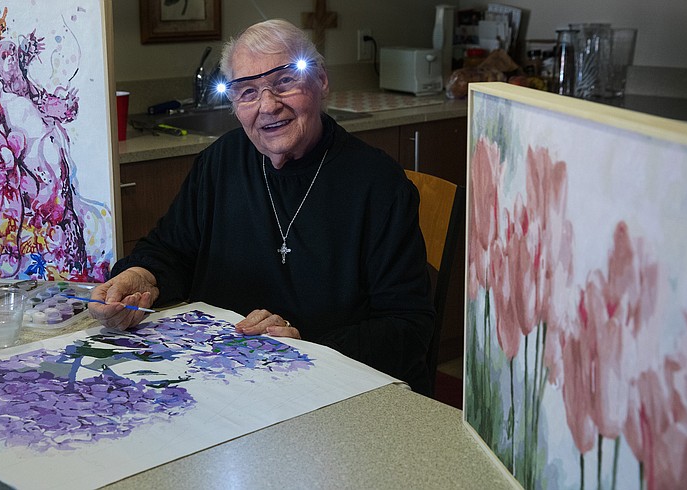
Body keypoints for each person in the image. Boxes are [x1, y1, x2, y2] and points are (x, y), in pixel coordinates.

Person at [89, 19, 435, 395]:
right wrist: (140, 277)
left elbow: (408, 328)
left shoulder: (378, 183)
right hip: (223, 384)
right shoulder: (220, 162)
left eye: (285, 81)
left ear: (320, 80)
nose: (268, 105)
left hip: (332, 392)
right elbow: (170, 249)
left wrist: (304, 343)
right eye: (247, 91)